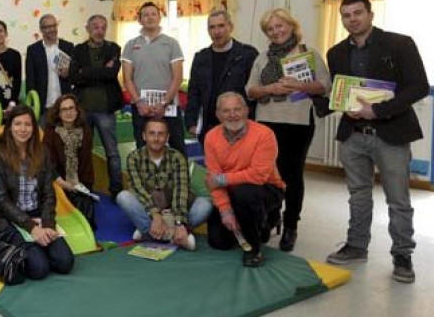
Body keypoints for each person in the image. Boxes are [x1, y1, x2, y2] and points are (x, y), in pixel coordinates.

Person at [324, 0, 428, 284]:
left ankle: (403, 255)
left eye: (358, 13)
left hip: (391, 134)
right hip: (353, 136)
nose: (352, 19)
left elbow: (418, 86)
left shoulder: (399, 44)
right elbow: (338, 91)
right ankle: (357, 246)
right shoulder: (335, 53)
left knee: (398, 199)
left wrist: (377, 110)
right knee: (358, 195)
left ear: (370, 14)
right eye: (346, 15)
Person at [246, 8, 330, 252]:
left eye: (280, 26)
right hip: (266, 123)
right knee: (268, 174)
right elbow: (250, 90)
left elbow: (325, 86)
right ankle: (272, 217)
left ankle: (291, 224)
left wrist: (300, 85)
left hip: (298, 123)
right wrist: (270, 89)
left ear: (292, 26)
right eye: (271, 29)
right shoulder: (262, 57)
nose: (276, 31)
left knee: (292, 176)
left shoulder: (308, 53)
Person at [0, 105, 74, 280]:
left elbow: (49, 194)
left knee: (65, 262)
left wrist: (48, 224)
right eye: (17, 124)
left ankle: (38, 245)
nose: (23, 129)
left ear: (34, 128)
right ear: (9, 126)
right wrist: (32, 228)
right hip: (11, 219)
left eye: (27, 124)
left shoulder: (42, 152)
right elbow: (1, 200)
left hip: (37, 215)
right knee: (39, 269)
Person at [203, 93, 285, 267]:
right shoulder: (211, 137)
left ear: (246, 111)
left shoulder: (264, 134)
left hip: (266, 189)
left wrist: (222, 179)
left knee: (245, 192)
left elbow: (258, 175)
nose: (232, 115)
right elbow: (212, 180)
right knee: (219, 242)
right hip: (232, 191)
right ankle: (253, 223)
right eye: (226, 111)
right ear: (218, 115)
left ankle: (254, 250)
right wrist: (226, 212)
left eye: (237, 109)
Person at [115, 118, 212, 250]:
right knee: (123, 197)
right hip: (150, 211)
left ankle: (149, 233)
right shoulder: (134, 157)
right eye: (152, 133)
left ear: (167, 137)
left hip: (175, 210)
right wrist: (156, 215)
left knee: (205, 204)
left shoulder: (177, 157)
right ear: (144, 136)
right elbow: (138, 190)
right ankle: (173, 236)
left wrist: (179, 223)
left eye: (161, 134)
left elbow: (181, 190)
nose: (156, 138)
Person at [185, 10, 259, 146]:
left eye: (221, 26)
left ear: (230, 27)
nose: (217, 31)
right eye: (212, 27)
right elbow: (194, 92)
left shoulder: (247, 54)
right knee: (213, 166)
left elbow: (254, 92)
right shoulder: (200, 57)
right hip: (209, 125)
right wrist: (191, 121)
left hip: (239, 125)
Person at [69, 14, 123, 197]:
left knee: (112, 153)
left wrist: (87, 71)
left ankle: (116, 190)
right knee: (83, 151)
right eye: (95, 27)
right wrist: (101, 71)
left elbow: (112, 74)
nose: (99, 31)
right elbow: (74, 77)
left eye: (102, 27)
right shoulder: (78, 50)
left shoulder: (114, 48)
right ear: (88, 28)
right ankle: (86, 187)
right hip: (83, 110)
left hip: (106, 110)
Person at [121, 2, 186, 154]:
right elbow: (127, 79)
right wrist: (139, 102)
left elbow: (177, 78)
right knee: (142, 147)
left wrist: (164, 103)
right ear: (140, 20)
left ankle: (178, 178)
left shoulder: (171, 44)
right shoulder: (131, 45)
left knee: (177, 146)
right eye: (146, 15)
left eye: (153, 14)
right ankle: (146, 178)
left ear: (159, 17)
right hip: (141, 107)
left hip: (169, 106)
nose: (150, 17)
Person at [42, 94, 96, 229]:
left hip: (80, 182)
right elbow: (47, 164)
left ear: (77, 110)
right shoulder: (50, 132)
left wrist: (81, 186)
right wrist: (64, 184)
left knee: (88, 222)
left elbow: (86, 164)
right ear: (58, 113)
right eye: (64, 109)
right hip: (58, 181)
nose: (68, 112)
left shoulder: (86, 130)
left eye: (71, 108)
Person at [26, 14, 75, 117]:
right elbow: (30, 79)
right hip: (42, 106)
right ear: (41, 29)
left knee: (65, 133)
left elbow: (76, 74)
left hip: (65, 105)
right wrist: (33, 104)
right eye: (47, 27)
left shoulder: (68, 46)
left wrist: (69, 73)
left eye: (53, 26)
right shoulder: (33, 50)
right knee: (43, 133)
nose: (51, 29)